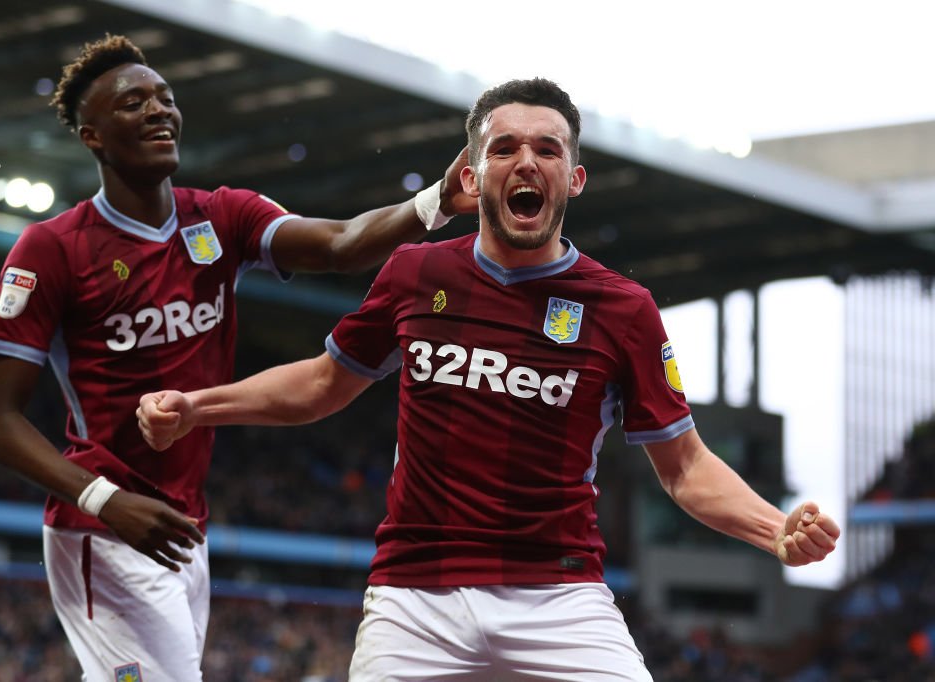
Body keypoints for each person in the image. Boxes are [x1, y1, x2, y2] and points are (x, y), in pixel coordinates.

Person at [136, 77, 841, 681]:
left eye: (548, 149)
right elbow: (324, 383)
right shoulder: (416, 272)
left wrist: (775, 529)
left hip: (560, 598)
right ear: (471, 177)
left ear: (574, 178)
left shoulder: (624, 310)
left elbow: (684, 466)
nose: (525, 161)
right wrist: (198, 406)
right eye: (503, 148)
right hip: (415, 597)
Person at [0, 34, 472, 682]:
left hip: (181, 523)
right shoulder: (52, 249)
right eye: (133, 103)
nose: (158, 110)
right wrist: (104, 499)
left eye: (165, 98)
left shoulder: (220, 217)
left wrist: (435, 200)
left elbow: (342, 244)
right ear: (92, 136)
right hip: (104, 525)